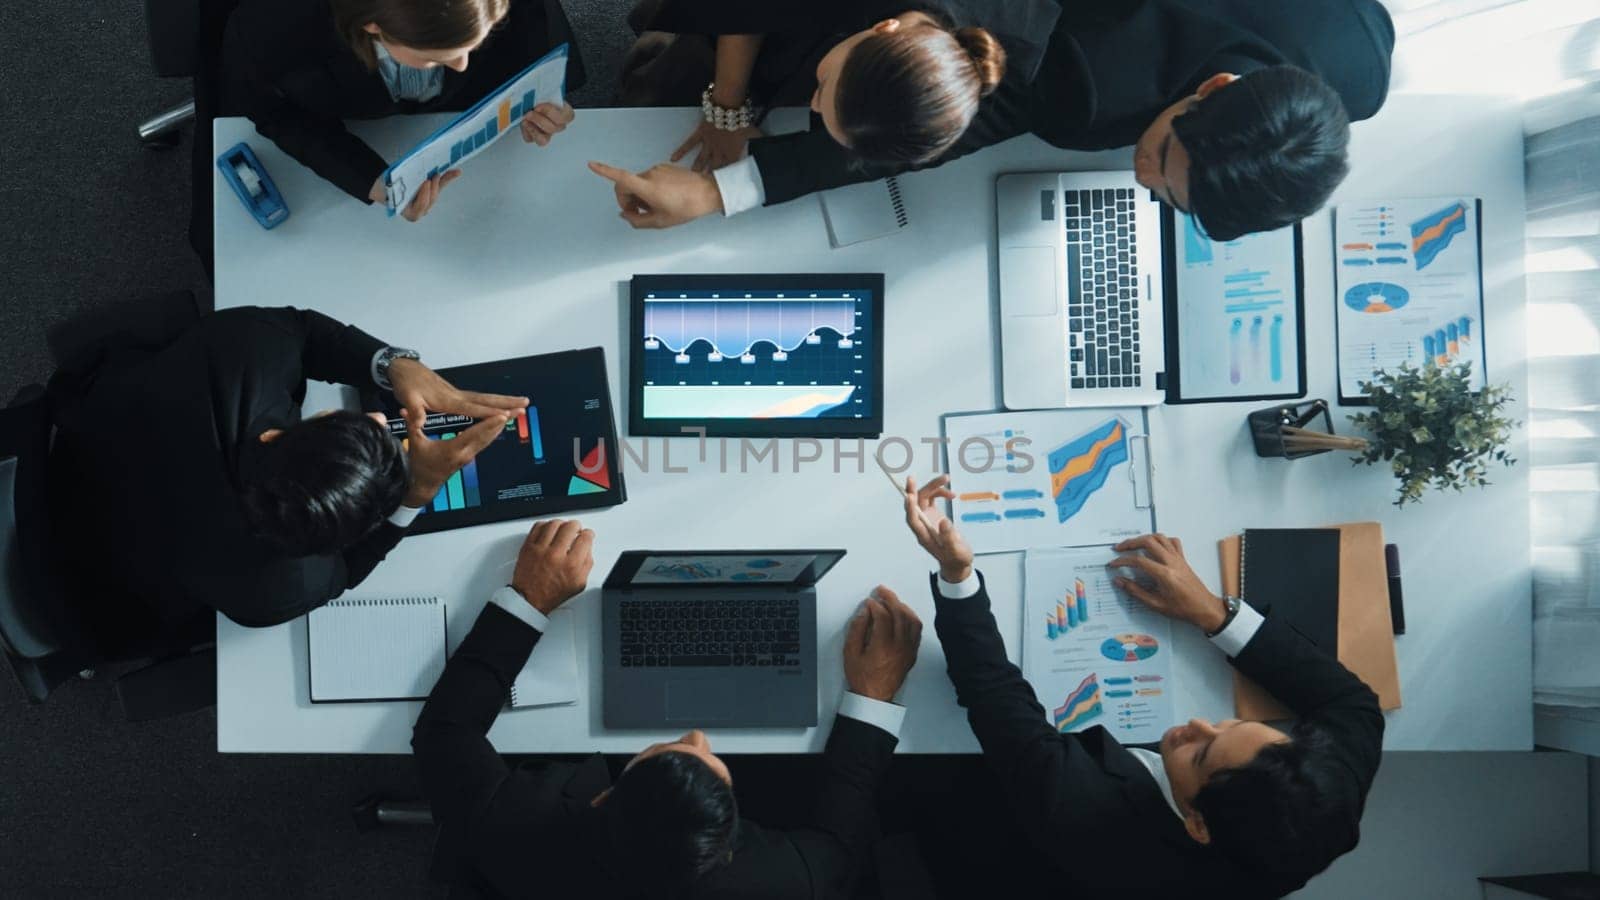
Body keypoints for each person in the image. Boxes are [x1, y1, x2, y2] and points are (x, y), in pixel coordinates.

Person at [898, 475, 1383, 897]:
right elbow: (1353, 703)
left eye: (1198, 755)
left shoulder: (1080, 815)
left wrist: (957, 574)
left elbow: (992, 693)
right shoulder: (1324, 790)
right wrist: (1213, 613)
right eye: (1231, 725)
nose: (1194, 724)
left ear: (1197, 824)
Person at [412, 518, 924, 899]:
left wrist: (529, 598)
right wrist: (873, 696)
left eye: (672, 749)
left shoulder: (512, 826)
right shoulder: (783, 881)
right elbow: (840, 847)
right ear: (729, 845)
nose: (697, 735)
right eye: (707, 761)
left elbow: (444, 729)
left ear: (601, 798)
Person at [590, 0, 1394, 241]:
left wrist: (723, 191)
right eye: (1157, 155)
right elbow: (921, 129)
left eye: (1164, 195)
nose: (1140, 175)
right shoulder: (1086, 85)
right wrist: (725, 185)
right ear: (1210, 87)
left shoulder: (1359, 65)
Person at [48, 305, 524, 630]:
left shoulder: (245, 356)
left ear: (277, 438)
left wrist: (393, 366)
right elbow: (345, 573)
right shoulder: (273, 591)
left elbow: (300, 329)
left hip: (79, 432)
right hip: (104, 574)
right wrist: (416, 494)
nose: (382, 416)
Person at [220, 0, 583, 222]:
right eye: (435, 57)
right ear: (372, 25)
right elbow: (273, 113)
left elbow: (531, 14)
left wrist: (541, 87)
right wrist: (371, 181)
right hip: (351, 111)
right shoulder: (271, 32)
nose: (460, 65)